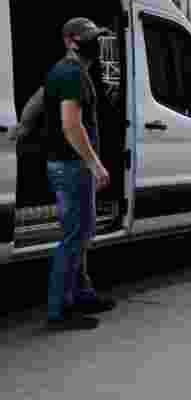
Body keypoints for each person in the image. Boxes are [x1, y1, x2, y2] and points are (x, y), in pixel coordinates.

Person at [43, 18, 114, 330]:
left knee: (80, 235)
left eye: (96, 36)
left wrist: (23, 127)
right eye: (88, 38)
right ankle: (59, 312)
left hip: (68, 166)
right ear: (71, 41)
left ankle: (83, 294)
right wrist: (95, 164)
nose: (94, 42)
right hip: (72, 167)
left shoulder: (64, 70)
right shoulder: (72, 73)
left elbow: (37, 100)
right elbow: (71, 126)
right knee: (73, 239)